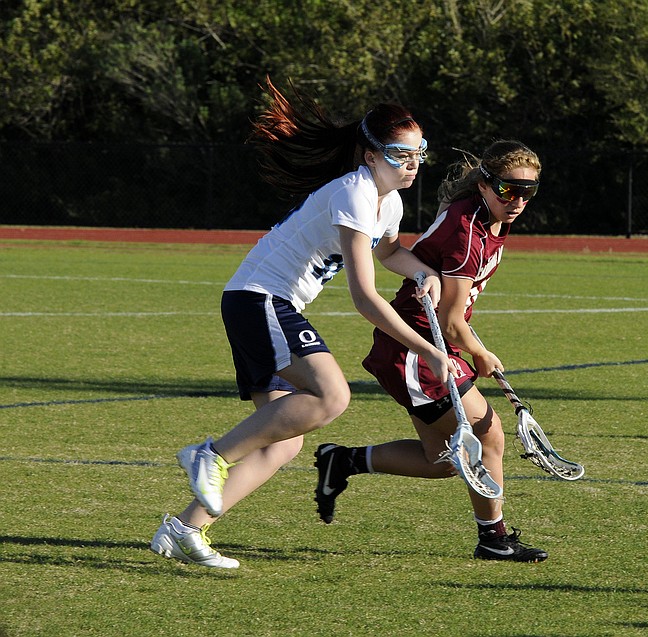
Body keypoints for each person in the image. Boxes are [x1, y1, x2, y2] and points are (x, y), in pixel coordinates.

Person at [150, 78, 453, 568]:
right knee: (332, 396)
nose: (413, 163)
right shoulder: (353, 192)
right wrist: (428, 350)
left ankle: (186, 529)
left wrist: (424, 272)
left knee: (284, 441)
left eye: (420, 152)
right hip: (260, 299)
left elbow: (391, 252)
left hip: (262, 303)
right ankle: (211, 455)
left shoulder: (388, 201)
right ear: (370, 154)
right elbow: (364, 296)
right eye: (402, 153)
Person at [314, 140, 548, 562]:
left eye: (526, 192)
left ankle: (343, 461)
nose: (516, 201)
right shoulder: (467, 233)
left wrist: (471, 347)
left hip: (423, 346)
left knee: (442, 460)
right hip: (416, 350)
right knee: (488, 434)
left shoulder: (490, 218)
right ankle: (493, 539)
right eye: (507, 190)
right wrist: (481, 352)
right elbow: (451, 323)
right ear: (485, 185)